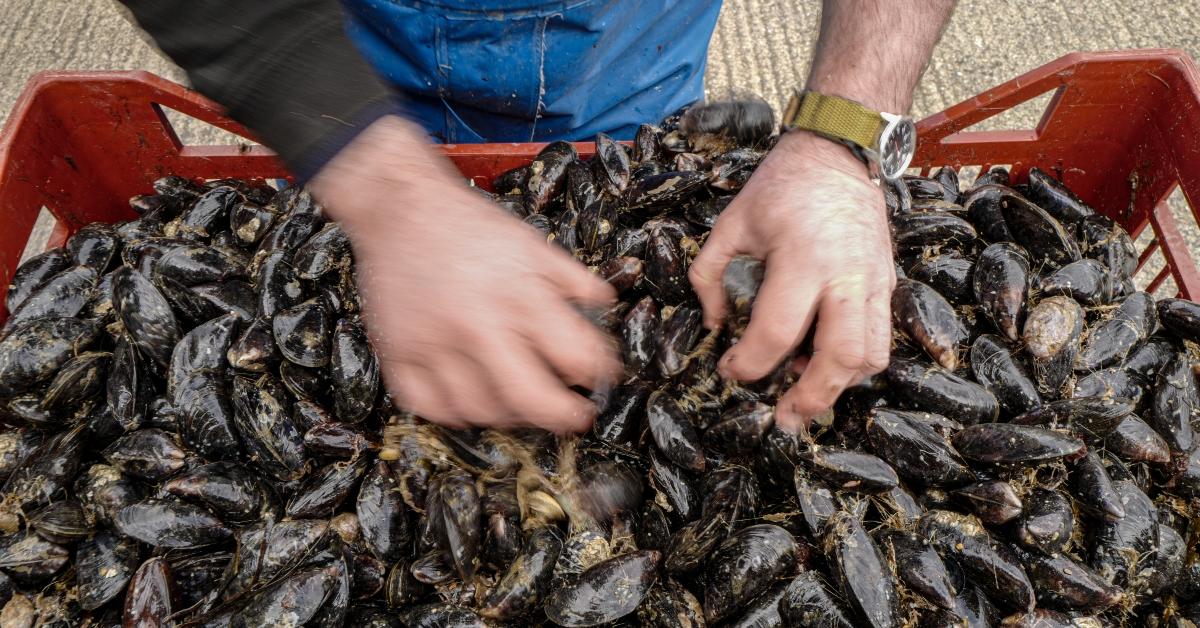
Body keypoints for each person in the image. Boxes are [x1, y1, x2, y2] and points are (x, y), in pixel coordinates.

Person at [118, 0, 957, 433]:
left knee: (632, 168)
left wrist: (846, 133)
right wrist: (384, 188)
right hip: (349, 50)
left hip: (627, 38)